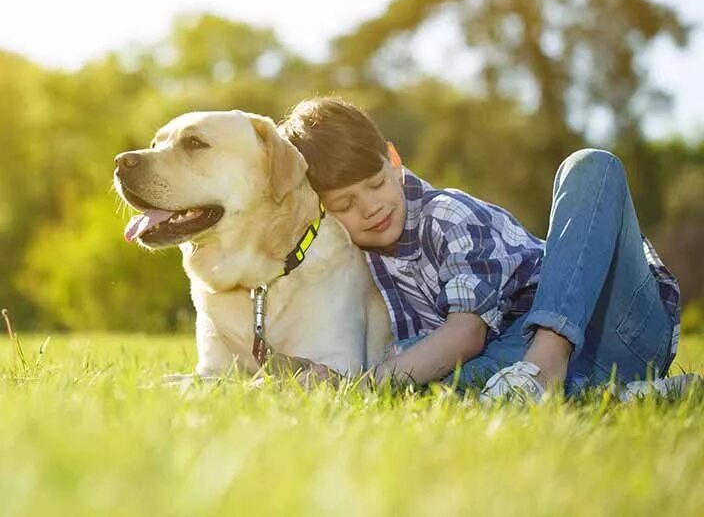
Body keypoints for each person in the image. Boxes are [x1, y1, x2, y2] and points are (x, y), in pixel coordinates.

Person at [278, 96, 685, 400]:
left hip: (610, 327)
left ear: (394, 159)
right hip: (513, 360)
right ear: (323, 211)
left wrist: (364, 388)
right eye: (346, 205)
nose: (371, 208)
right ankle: (617, 396)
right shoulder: (360, 261)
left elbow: (467, 333)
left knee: (590, 165)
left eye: (376, 184)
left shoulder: (445, 215)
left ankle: (548, 362)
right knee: (438, 381)